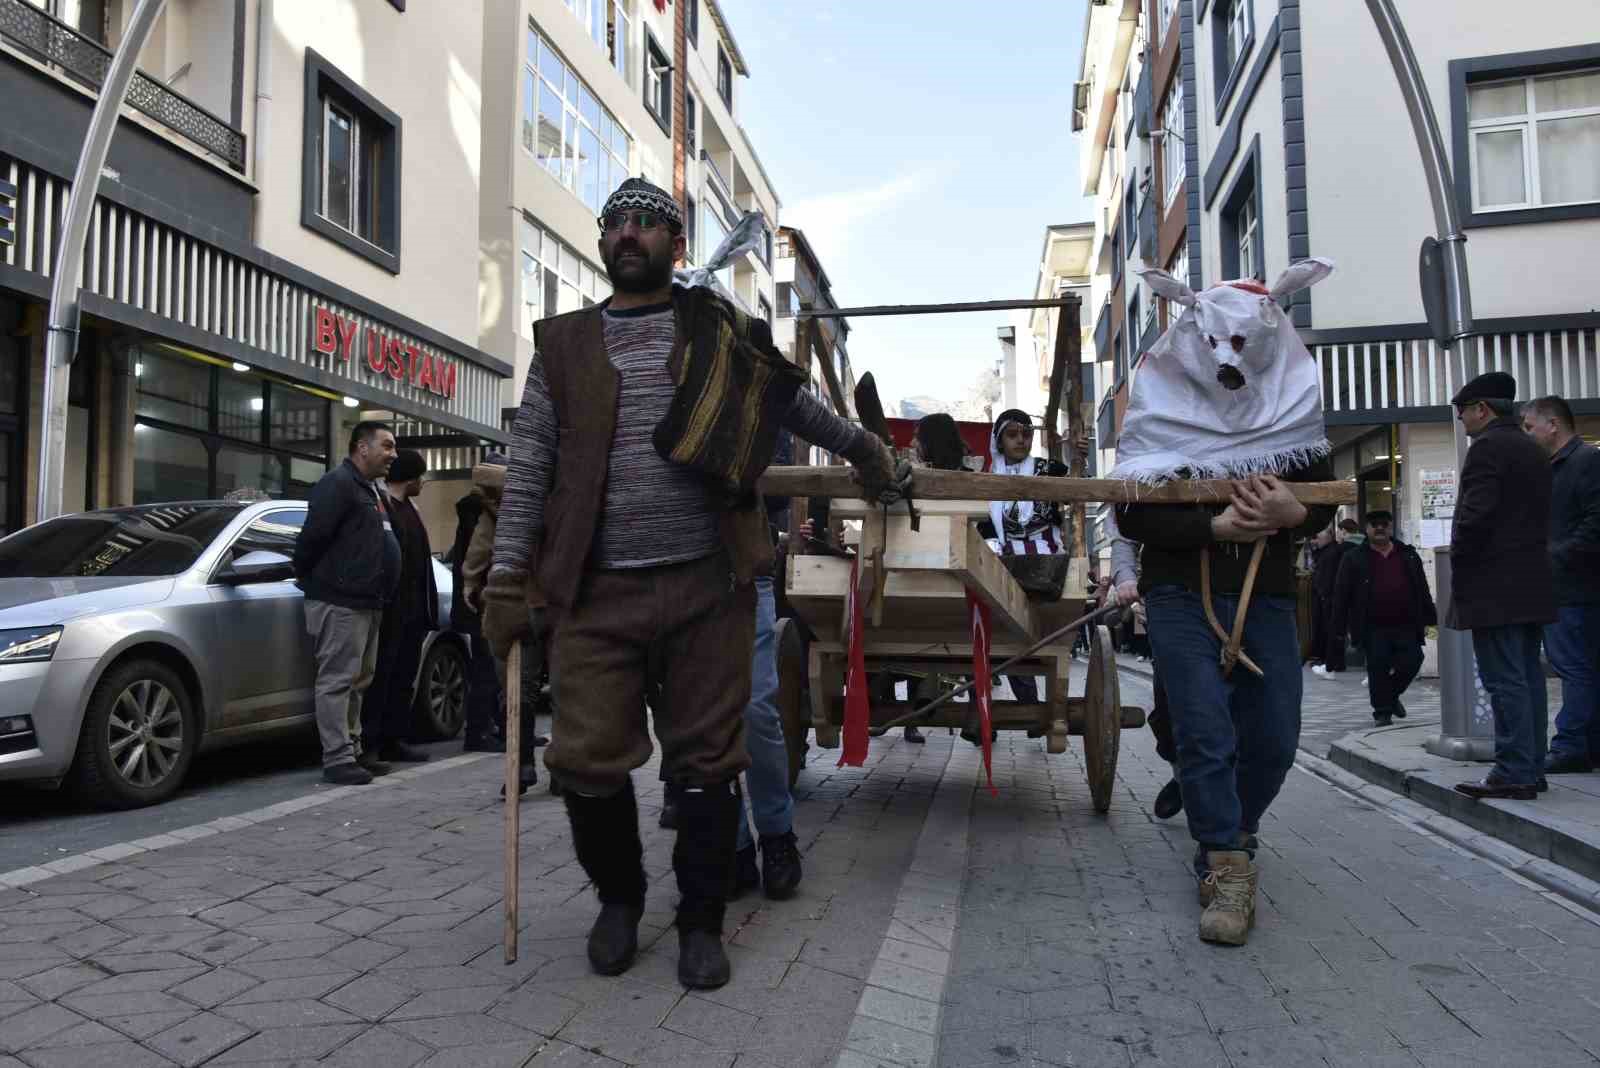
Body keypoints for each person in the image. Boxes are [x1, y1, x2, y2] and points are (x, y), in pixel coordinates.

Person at [481, 178, 903, 991]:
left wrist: (864, 450)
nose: (630, 234)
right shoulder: (562, 347)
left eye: (649, 224)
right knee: (586, 762)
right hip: (595, 596)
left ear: (676, 246)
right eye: (617, 224)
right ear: (603, 244)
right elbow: (530, 463)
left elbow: (793, 401)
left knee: (708, 764)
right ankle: (620, 899)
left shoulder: (721, 327)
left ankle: (702, 920)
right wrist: (505, 576)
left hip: (708, 586)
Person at [1116, 259, 1338, 946]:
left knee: (1273, 735)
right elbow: (1132, 513)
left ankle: (1236, 827)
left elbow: (1319, 501)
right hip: (1179, 591)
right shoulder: (1157, 407)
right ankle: (1225, 861)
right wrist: (1209, 527)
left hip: (1266, 593)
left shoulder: (1295, 409)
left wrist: (1293, 509)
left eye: (1243, 346)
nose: (1228, 361)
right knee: (1204, 728)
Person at [1448, 372, 1556, 801]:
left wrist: (1459, 556)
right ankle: (1531, 765)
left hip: (1495, 583)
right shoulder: (1532, 448)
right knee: (1527, 676)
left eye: (1463, 412)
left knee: (1504, 679)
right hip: (1532, 580)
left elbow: (1475, 517)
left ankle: (1513, 770)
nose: (1461, 420)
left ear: (1482, 409)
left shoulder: (1488, 449)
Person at [292, 421, 400, 786]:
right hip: (340, 601)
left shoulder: (369, 489)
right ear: (362, 448)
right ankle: (337, 759)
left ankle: (352, 750)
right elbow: (312, 540)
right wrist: (323, 581)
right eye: (386, 446)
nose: (393, 454)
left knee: (358, 680)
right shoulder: (337, 485)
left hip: (368, 601)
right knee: (337, 680)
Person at [728, 428, 803, 900]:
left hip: (744, 567)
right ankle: (732, 844)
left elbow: (777, 485)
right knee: (702, 721)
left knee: (756, 709)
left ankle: (777, 834)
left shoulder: (752, 383)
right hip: (674, 573)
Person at [1522, 395, 1600, 774]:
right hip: (1563, 585)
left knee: (1575, 668)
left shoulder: (1586, 462)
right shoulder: (1552, 467)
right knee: (1579, 666)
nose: (1528, 434)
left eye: (1530, 427)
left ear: (1553, 425)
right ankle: (1586, 745)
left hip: (1576, 587)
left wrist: (1553, 556)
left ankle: (1569, 744)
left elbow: (1594, 524)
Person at [461, 452, 547, 793]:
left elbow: (478, 553)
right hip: (554, 602)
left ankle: (522, 764)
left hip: (514, 604)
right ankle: (563, 769)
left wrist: (470, 584)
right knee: (565, 688)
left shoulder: (493, 512)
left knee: (517, 687)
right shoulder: (547, 499)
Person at [359, 449, 436, 770]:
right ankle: (372, 742)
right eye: (421, 476)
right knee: (382, 676)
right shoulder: (383, 505)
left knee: (404, 674)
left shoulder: (411, 508)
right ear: (411, 477)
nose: (424, 482)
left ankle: (395, 739)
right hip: (391, 606)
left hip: (413, 608)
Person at [1329, 510, 1438, 726]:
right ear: (1366, 529)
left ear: (1390, 527)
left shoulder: (1407, 554)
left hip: (1406, 622)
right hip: (1372, 625)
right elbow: (1341, 594)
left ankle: (1389, 697)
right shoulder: (1353, 558)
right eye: (1374, 524)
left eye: (1384, 524)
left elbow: (1421, 587)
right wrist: (1339, 629)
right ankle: (1382, 713)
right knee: (1378, 667)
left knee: (1413, 661)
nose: (1379, 528)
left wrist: (1429, 617)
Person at [1311, 519, 1361, 678]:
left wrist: (1326, 593)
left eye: (1339, 532)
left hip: (1342, 595)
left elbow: (1333, 574)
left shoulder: (1341, 549)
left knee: (1336, 630)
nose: (1337, 535)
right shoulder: (1366, 546)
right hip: (1362, 595)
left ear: (1344, 531)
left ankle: (1332, 667)